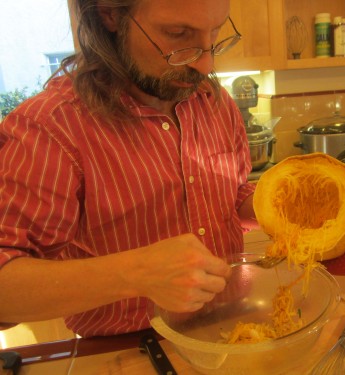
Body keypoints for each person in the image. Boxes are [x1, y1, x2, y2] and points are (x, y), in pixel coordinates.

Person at [0, 0, 259, 338]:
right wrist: (137, 273)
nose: (205, 64)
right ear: (110, 14)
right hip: (127, 347)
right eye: (178, 34)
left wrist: (274, 208)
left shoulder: (215, 101)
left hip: (231, 326)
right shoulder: (50, 127)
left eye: (215, 33)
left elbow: (232, 193)